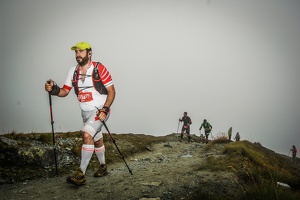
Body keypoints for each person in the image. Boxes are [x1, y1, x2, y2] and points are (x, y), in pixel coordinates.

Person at [44, 42, 116, 186]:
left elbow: (112, 91)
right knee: (96, 138)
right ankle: (103, 167)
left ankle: (81, 174)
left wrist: (105, 109)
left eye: (81, 51)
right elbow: (64, 91)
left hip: (99, 110)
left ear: (89, 53)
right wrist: (53, 89)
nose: (78, 54)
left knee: (86, 134)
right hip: (85, 112)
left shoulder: (99, 68)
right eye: (76, 52)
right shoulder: (73, 71)